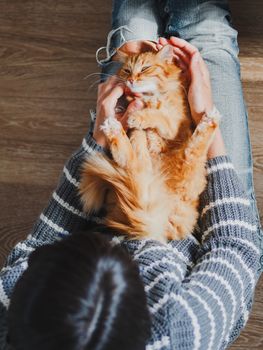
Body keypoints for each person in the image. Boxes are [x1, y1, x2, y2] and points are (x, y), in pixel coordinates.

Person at [0, 1, 262, 349]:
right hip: (194, 221)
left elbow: (40, 244)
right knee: (206, 33)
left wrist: (97, 141)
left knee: (132, 31)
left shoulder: (10, 305)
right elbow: (237, 248)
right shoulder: (181, 329)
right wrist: (204, 121)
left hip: (118, 190)